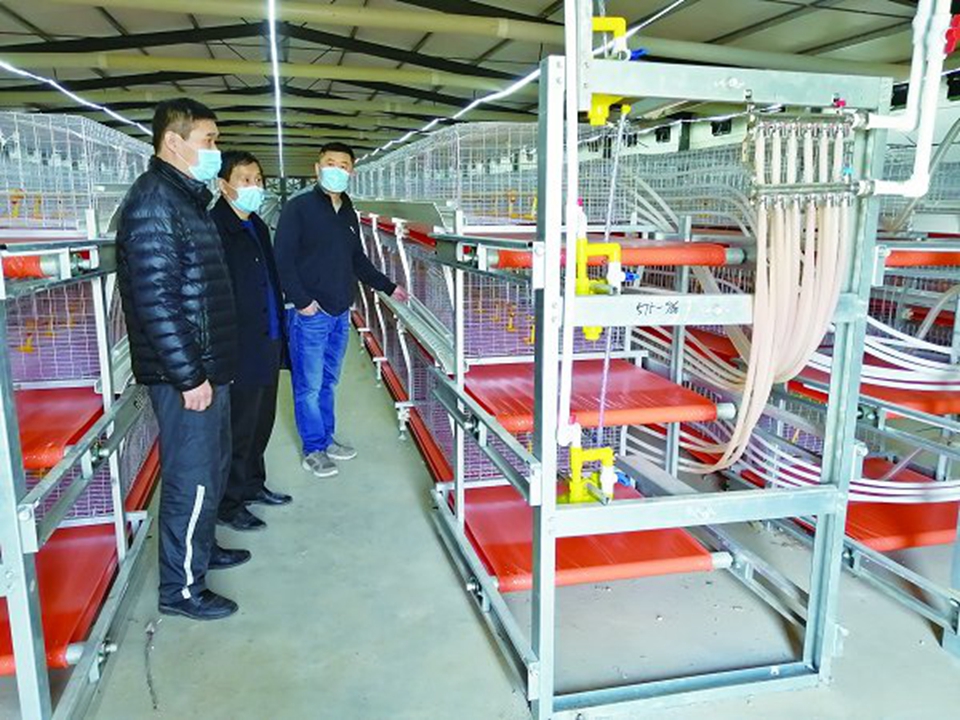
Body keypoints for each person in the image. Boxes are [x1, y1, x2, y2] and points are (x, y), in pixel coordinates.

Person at [116, 98, 245, 622]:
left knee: (211, 469)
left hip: (208, 366)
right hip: (186, 375)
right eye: (208, 140)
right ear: (174, 141)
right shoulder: (154, 203)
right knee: (191, 477)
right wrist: (189, 375)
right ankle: (181, 589)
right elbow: (156, 301)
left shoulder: (186, 198)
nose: (215, 150)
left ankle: (202, 549)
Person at [275, 142, 408, 478]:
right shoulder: (299, 208)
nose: (336, 169)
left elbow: (356, 259)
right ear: (318, 168)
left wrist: (388, 286)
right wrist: (302, 302)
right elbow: (282, 259)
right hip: (310, 313)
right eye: (330, 163)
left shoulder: (347, 210)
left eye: (343, 164)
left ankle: (326, 438)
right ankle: (313, 449)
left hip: (339, 312)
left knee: (328, 381)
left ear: (351, 171)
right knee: (309, 385)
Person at [212, 151, 292, 532]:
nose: (254, 186)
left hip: (267, 338)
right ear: (223, 185)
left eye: (258, 179)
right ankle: (230, 503)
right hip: (240, 346)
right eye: (245, 179)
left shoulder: (256, 224)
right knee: (239, 429)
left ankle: (253, 485)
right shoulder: (216, 228)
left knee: (262, 421)